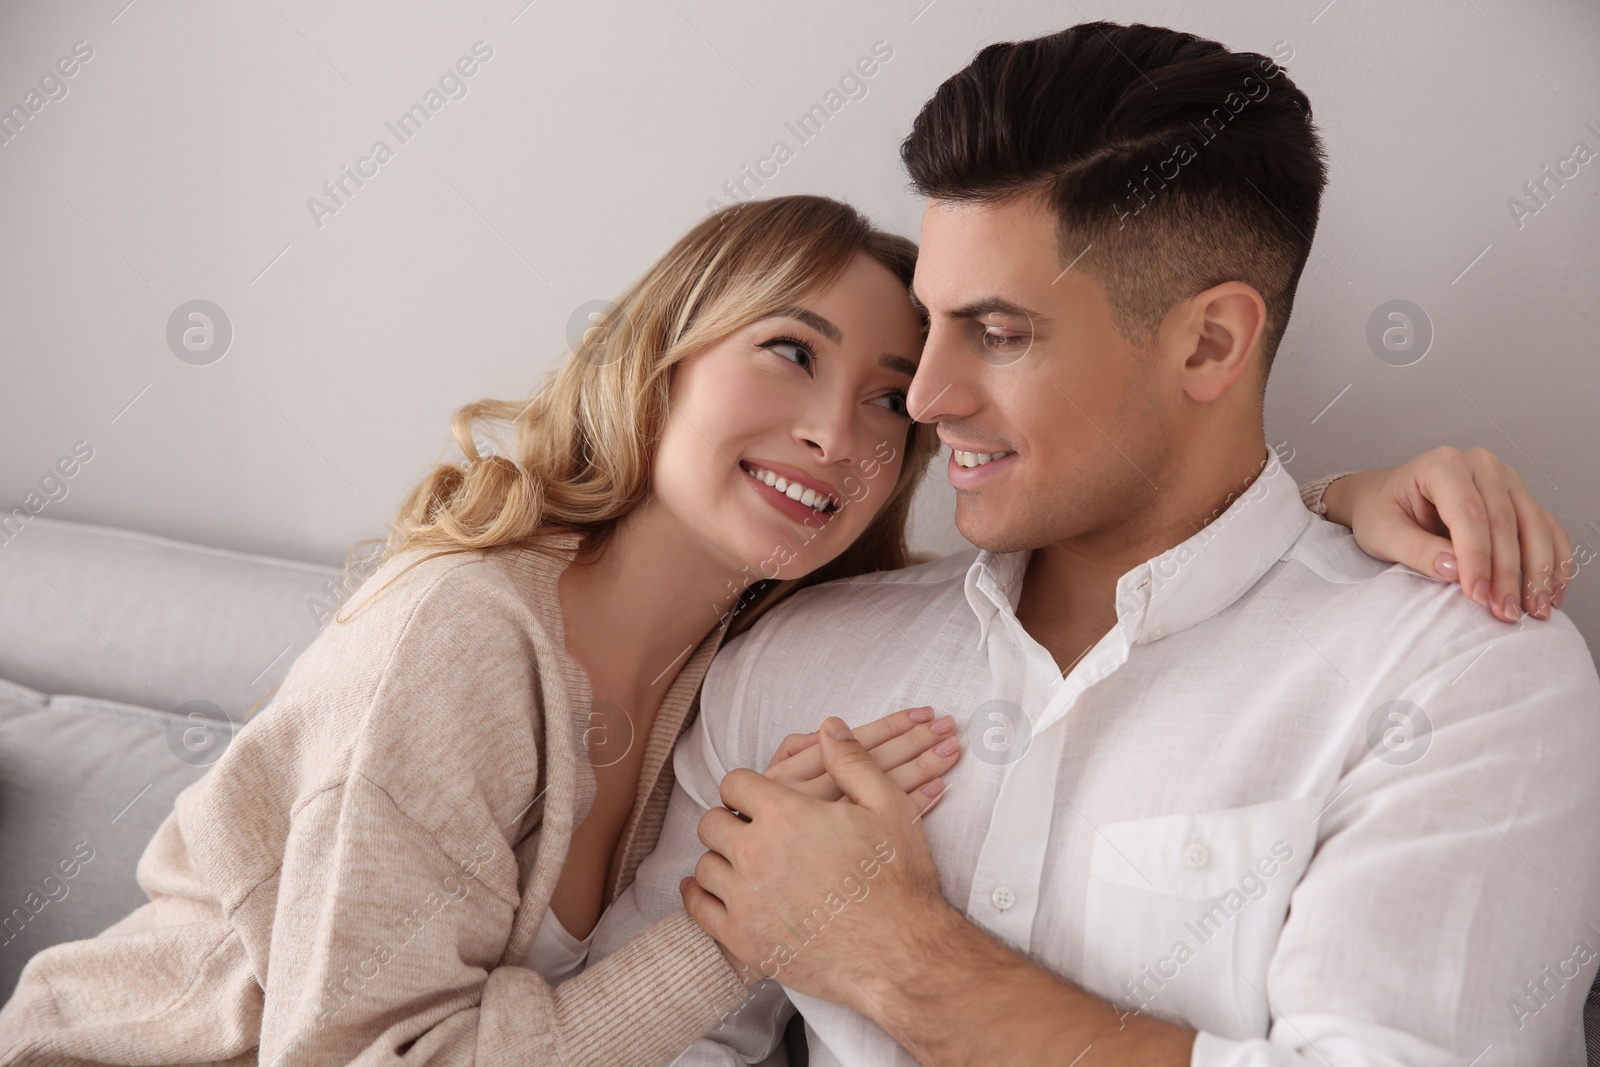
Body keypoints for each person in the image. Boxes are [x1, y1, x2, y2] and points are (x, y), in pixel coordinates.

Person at [0, 192, 1568, 1063]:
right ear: (659, 357)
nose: (844, 428)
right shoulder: (467, 639)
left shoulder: (751, 658)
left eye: (892, 398)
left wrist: (1330, 506)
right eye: (788, 354)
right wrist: (730, 935)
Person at [594, 22, 1600, 1067]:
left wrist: (894, 953)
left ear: (1208, 343)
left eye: (998, 333)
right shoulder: (794, 662)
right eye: (931, 328)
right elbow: (659, 1045)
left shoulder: (1459, 680)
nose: (928, 401)